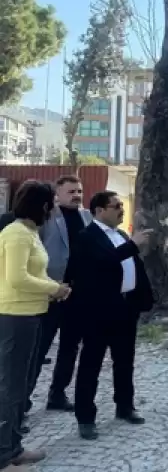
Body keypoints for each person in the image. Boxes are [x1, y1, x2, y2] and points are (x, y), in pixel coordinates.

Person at [70, 191, 153, 440]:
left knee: (125, 361)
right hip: (98, 311)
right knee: (91, 365)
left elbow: (131, 265)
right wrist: (132, 246)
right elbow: (101, 264)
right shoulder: (87, 237)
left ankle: (125, 406)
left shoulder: (120, 235)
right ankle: (86, 417)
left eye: (121, 205)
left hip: (125, 308)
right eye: (116, 206)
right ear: (99, 210)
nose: (121, 209)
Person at [0, 181, 71, 470]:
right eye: (52, 204)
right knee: (12, 386)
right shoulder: (17, 234)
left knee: (20, 383)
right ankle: (6, 451)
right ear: (43, 206)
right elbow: (17, 278)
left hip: (30, 315)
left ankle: (12, 444)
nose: (55, 209)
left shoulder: (29, 232)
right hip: (16, 317)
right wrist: (54, 288)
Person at [27, 175, 93, 414]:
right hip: (51, 293)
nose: (76, 195)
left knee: (70, 347)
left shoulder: (87, 217)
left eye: (79, 190)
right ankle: (22, 402)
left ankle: (57, 394)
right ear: (58, 194)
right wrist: (48, 286)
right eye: (71, 191)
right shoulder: (46, 218)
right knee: (39, 349)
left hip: (78, 295)